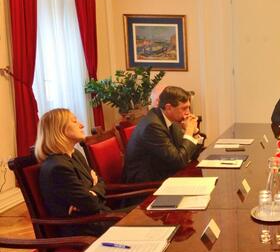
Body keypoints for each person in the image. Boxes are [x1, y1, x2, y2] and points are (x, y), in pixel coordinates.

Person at [35, 108, 115, 236]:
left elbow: (100, 181)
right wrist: (92, 189)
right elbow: (91, 204)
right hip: (85, 228)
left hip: (100, 217)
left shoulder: (75, 154)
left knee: (144, 212)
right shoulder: (58, 167)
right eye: (74, 121)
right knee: (144, 218)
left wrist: (91, 192)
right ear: (60, 129)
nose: (81, 125)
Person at [124, 86, 201, 183]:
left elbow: (188, 155)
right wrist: (189, 131)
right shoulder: (152, 126)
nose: (188, 113)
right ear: (168, 108)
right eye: (184, 108)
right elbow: (179, 161)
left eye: (188, 107)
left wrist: (194, 132)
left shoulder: (170, 120)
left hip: (165, 173)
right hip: (146, 183)